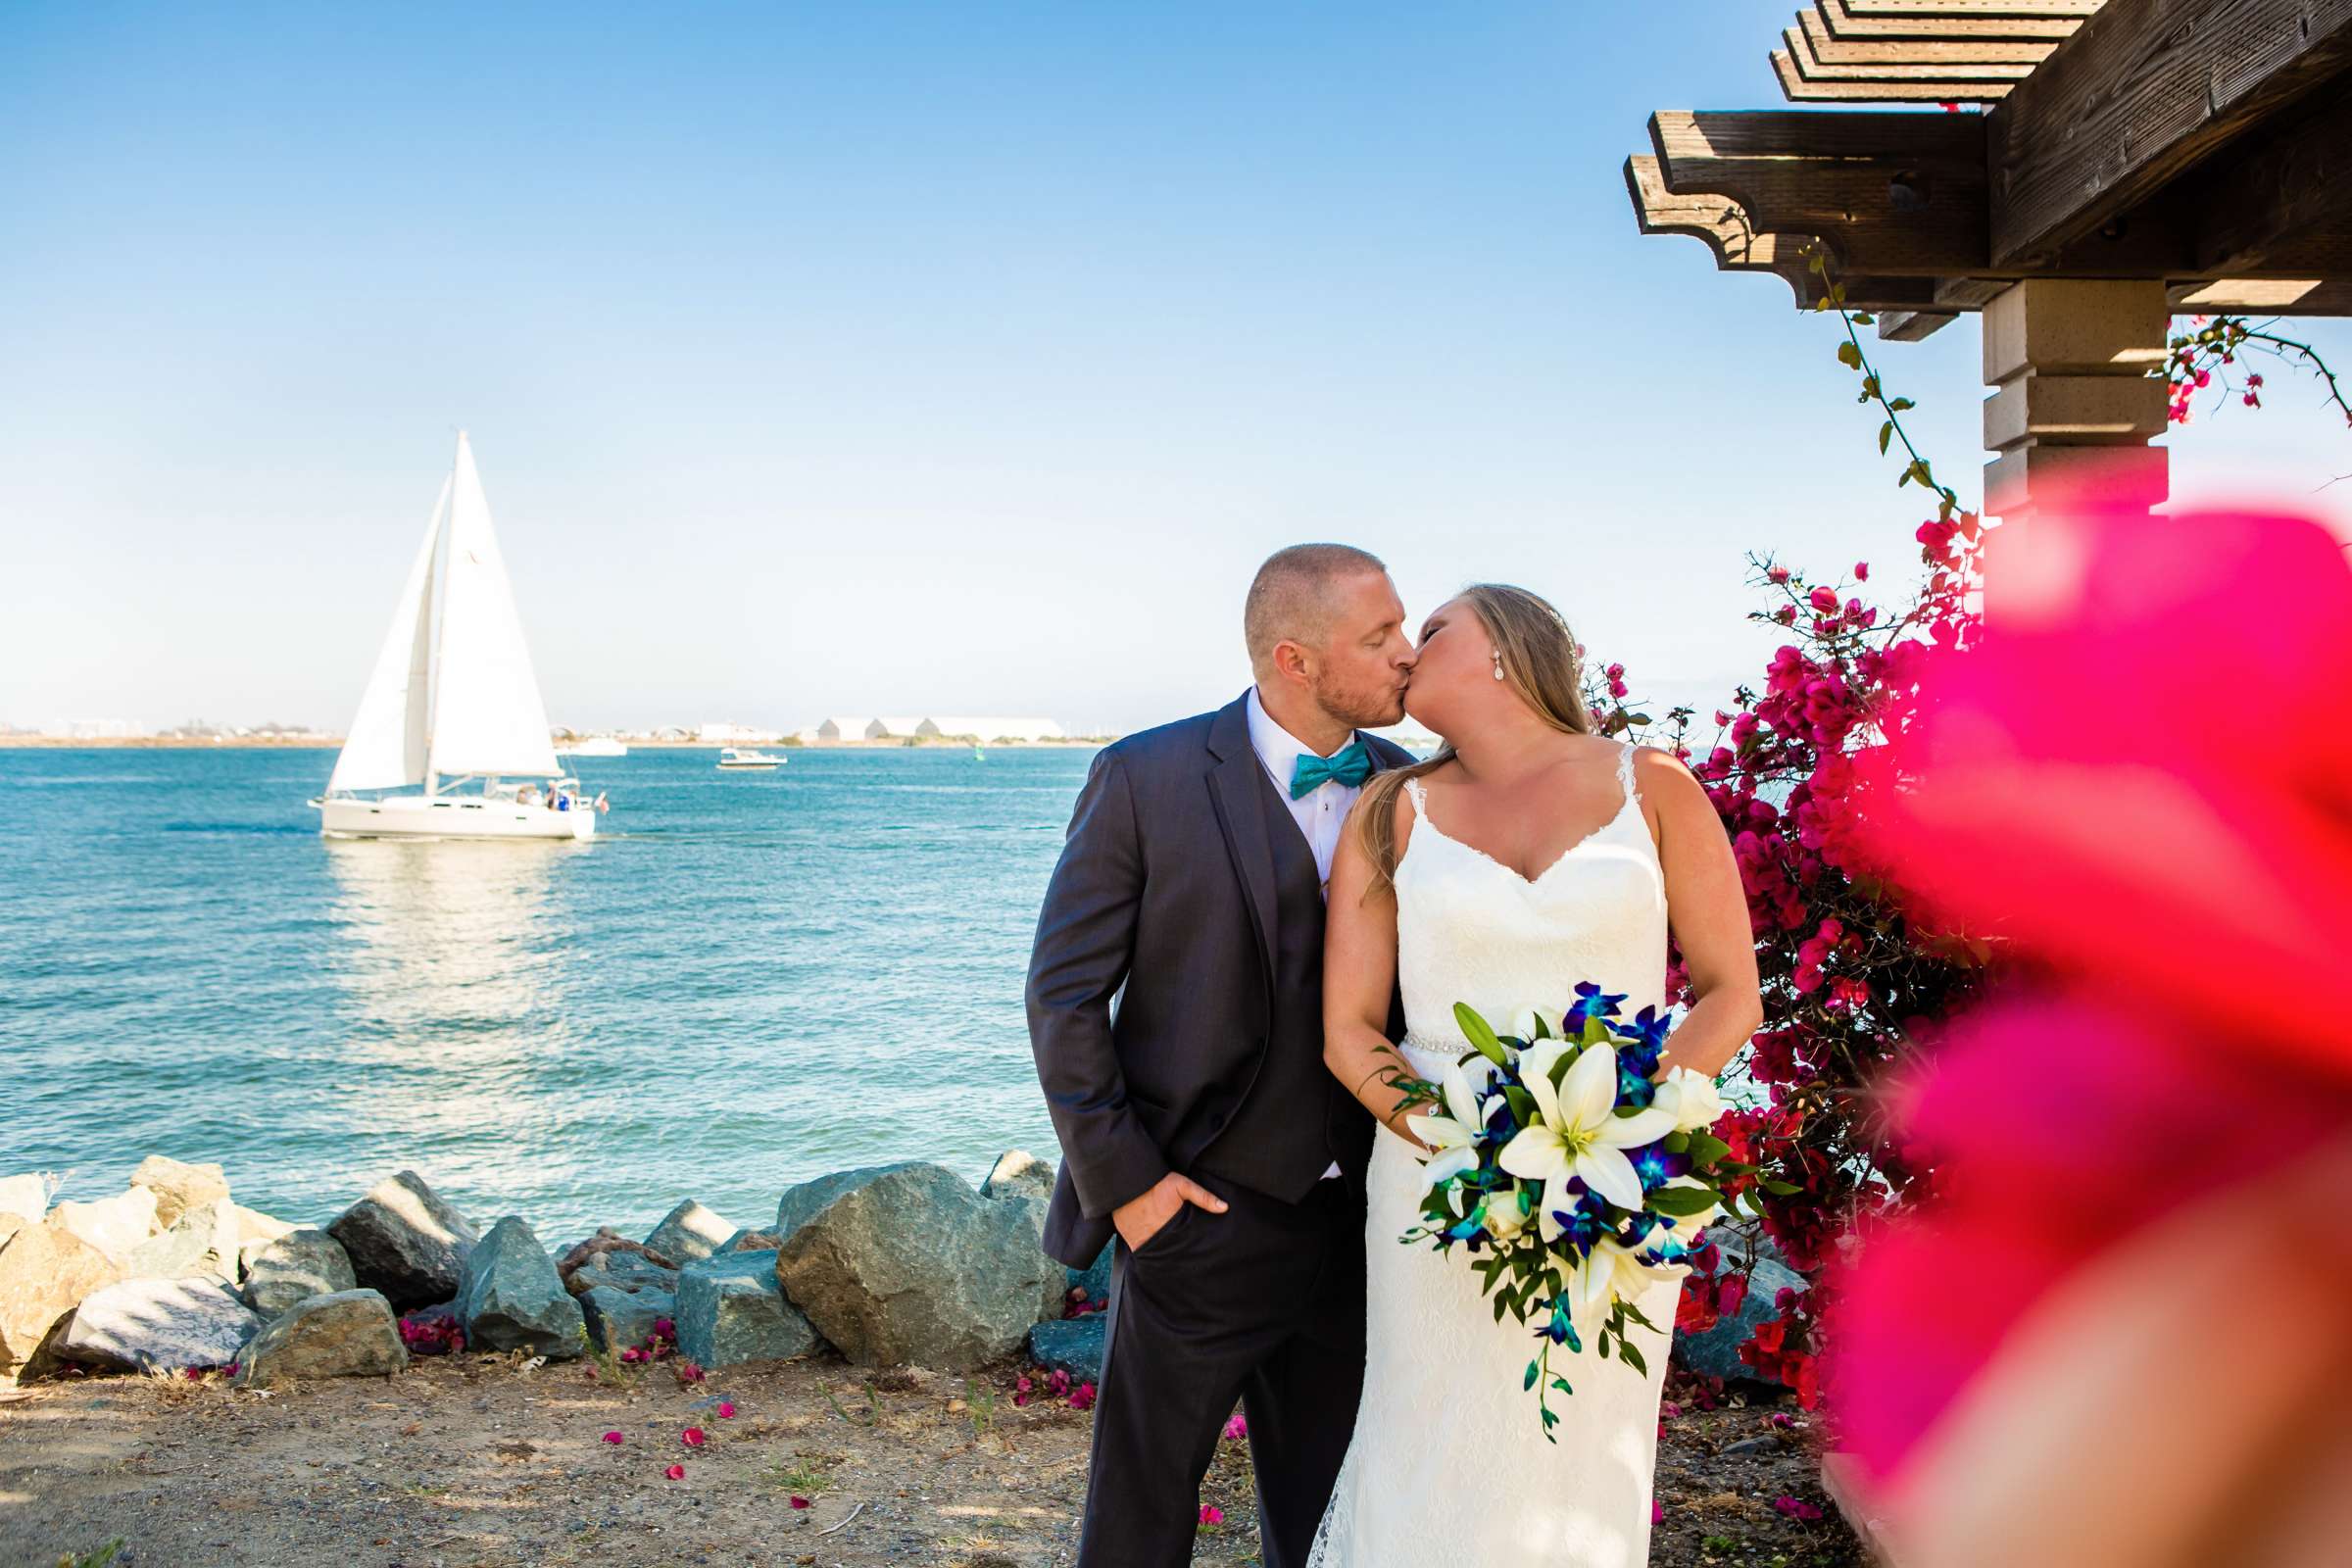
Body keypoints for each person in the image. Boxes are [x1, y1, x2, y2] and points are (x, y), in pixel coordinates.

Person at [1308, 584, 1760, 1566]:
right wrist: (1470, 1150)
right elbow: (1348, 1028)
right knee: (1425, 1443)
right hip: (1439, 1190)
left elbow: (1731, 994)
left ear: (1507, 650)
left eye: (1430, 630)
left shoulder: (1656, 787)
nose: (1403, 650)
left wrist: (1620, 1133)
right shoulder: (1391, 811)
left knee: (1575, 1461)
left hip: (1616, 1188)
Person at [1024, 543, 1420, 1568]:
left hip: (1355, 1226)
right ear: (1295, 657)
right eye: (1379, 637)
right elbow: (1063, 994)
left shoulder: (1409, 788)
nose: (1407, 655)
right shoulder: (1144, 777)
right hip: (1195, 1219)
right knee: (1140, 1516)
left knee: (1330, 1517)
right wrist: (1135, 1189)